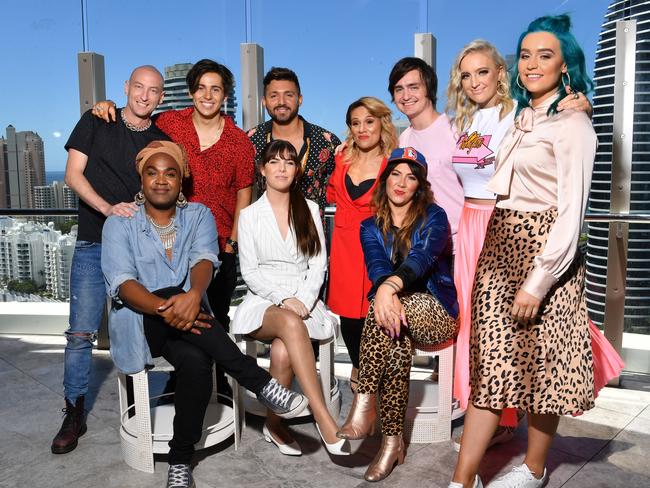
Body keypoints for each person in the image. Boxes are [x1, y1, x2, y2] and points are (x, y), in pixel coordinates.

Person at [101, 141, 308, 488]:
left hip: (191, 323)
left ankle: (179, 461)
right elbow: (122, 283)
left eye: (170, 173)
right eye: (152, 172)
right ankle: (259, 383)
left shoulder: (198, 215)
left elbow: (204, 260)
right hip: (141, 322)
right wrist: (169, 304)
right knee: (168, 290)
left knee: (196, 362)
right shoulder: (120, 224)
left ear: (182, 179)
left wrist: (194, 295)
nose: (161, 180)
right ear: (141, 180)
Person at [445, 39, 619, 450]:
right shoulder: (461, 123)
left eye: (483, 72)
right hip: (470, 226)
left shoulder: (517, 116)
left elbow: (556, 125)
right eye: (466, 75)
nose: (474, 82)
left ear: (501, 74)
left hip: (505, 224)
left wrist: (581, 103)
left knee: (518, 331)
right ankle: (482, 406)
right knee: (477, 327)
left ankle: (505, 417)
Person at [92, 59, 252, 396]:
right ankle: (187, 380)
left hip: (216, 242)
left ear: (225, 96)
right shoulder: (170, 123)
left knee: (213, 316)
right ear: (191, 92)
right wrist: (108, 106)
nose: (208, 95)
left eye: (216, 89)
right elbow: (134, 118)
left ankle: (217, 381)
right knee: (176, 311)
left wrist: (231, 243)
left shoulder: (239, 141)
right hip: (171, 236)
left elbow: (244, 194)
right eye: (202, 87)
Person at [51, 65, 169, 455]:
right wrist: (107, 208)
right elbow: (73, 174)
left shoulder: (160, 141)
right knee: (80, 334)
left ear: (161, 98)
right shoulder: (97, 119)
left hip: (135, 249)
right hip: (92, 243)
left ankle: (138, 403)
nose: (144, 96)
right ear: (126, 88)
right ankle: (74, 411)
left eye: (153, 91)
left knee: (137, 328)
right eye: (139, 87)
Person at [337, 147, 459, 482]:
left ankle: (364, 402)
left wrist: (388, 288)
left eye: (411, 176)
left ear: (419, 185)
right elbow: (376, 263)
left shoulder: (435, 216)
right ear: (385, 179)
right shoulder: (368, 226)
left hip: (436, 311)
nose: (402, 182)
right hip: (394, 315)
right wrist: (387, 289)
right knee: (394, 343)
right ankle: (392, 444)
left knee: (379, 306)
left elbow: (421, 258)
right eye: (395, 174)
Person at [232, 139, 348, 457]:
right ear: (262, 170)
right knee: (288, 321)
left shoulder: (309, 209)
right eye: (274, 162)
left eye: (289, 162)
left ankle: (275, 424)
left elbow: (319, 264)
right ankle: (324, 418)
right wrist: (284, 299)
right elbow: (251, 272)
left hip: (305, 300)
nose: (282, 168)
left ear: (296, 171)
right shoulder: (250, 216)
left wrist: (304, 299)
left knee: (282, 355)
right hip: (263, 301)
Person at [326, 97, 397, 393]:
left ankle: (375, 382)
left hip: (377, 246)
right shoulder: (341, 158)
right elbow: (331, 194)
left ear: (382, 122)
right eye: (355, 123)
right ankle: (359, 372)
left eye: (369, 121)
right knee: (348, 319)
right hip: (343, 246)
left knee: (375, 315)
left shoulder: (394, 160)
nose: (362, 129)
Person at [388, 57, 464, 251]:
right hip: (423, 247)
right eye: (399, 89)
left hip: (460, 245)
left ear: (429, 88)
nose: (406, 96)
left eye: (413, 87)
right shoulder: (403, 140)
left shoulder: (457, 129)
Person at [248, 67, 341, 221]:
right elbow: (241, 190)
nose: (281, 102)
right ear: (264, 101)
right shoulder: (251, 140)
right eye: (274, 96)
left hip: (314, 237)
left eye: (288, 95)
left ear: (300, 99)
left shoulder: (327, 141)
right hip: (266, 235)